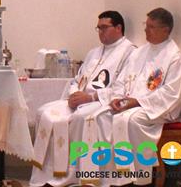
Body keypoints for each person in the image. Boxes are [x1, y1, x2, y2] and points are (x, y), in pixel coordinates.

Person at [74, 7, 181, 187]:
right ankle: (108, 177)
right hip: (131, 104)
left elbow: (170, 94)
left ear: (165, 30)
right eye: (146, 25)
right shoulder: (140, 53)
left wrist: (135, 102)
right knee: (100, 116)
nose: (145, 30)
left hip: (157, 109)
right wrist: (118, 98)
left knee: (130, 120)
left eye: (151, 27)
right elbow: (122, 82)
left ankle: (140, 178)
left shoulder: (175, 58)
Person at [30, 10, 135, 186]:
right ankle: (47, 175)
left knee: (81, 118)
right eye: (98, 28)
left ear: (118, 28)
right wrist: (73, 95)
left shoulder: (129, 53)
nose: (101, 32)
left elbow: (123, 88)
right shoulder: (94, 52)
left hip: (101, 103)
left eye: (105, 27)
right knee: (44, 113)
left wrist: (91, 97)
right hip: (80, 100)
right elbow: (77, 79)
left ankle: (76, 176)